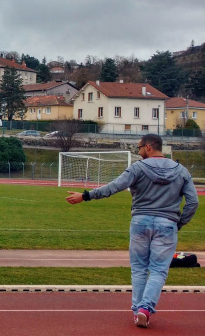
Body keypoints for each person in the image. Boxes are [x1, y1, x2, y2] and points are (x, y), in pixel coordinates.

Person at [66, 134, 198, 328]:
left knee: (139, 269)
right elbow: (193, 202)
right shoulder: (181, 171)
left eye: (139, 148)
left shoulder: (138, 168)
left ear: (149, 147)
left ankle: (138, 311)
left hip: (140, 222)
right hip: (167, 224)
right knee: (159, 271)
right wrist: (178, 223)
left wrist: (86, 196)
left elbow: (115, 187)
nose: (138, 151)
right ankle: (145, 308)